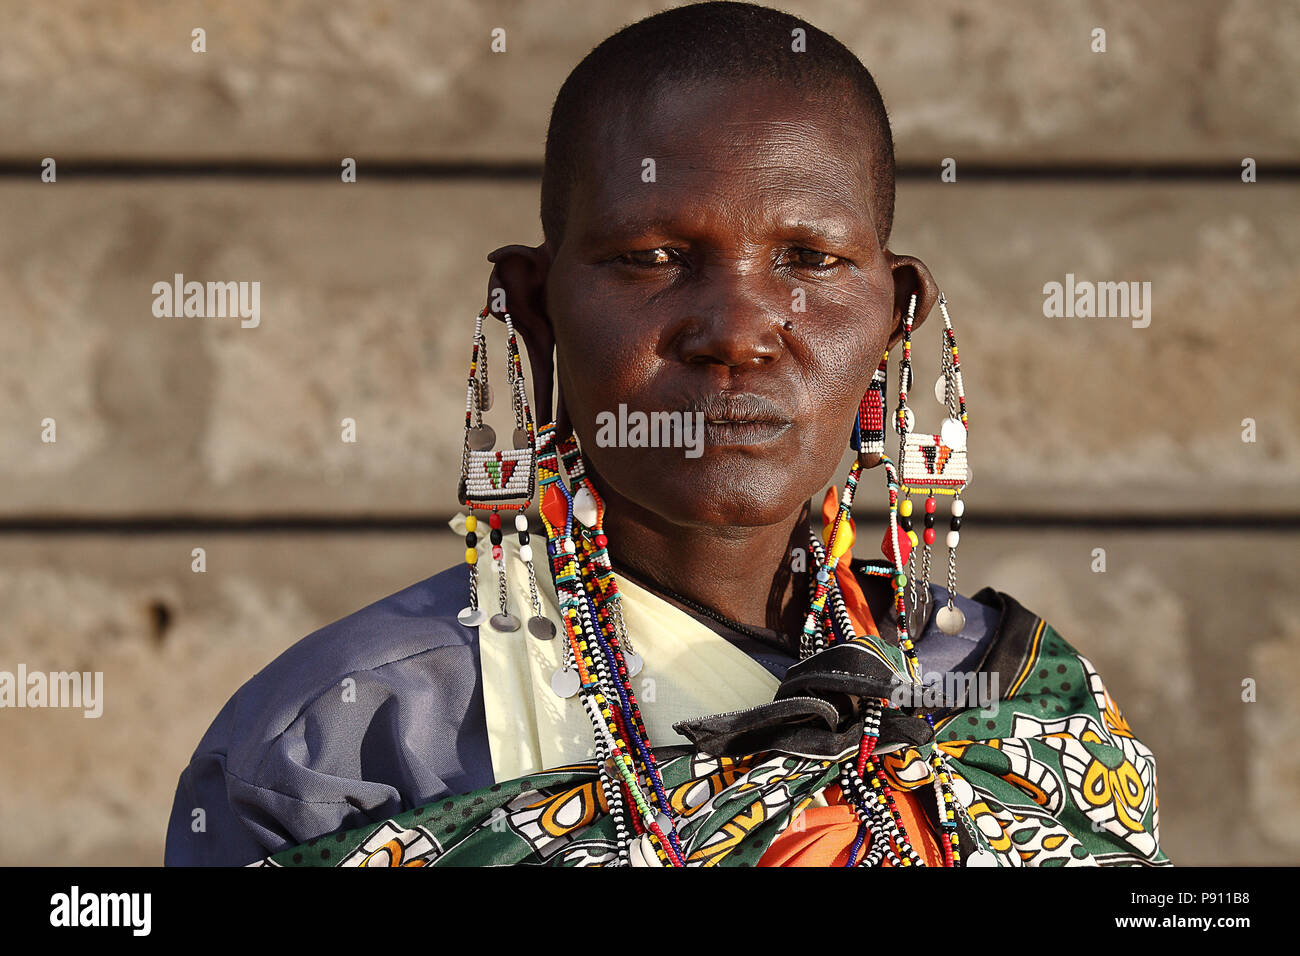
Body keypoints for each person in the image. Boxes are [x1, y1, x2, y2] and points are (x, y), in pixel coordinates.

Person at [165, 1, 1166, 867]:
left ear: (893, 317)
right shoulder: (352, 740)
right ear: (535, 309)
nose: (735, 328)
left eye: (809, 259)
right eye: (652, 256)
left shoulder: (1008, 702)